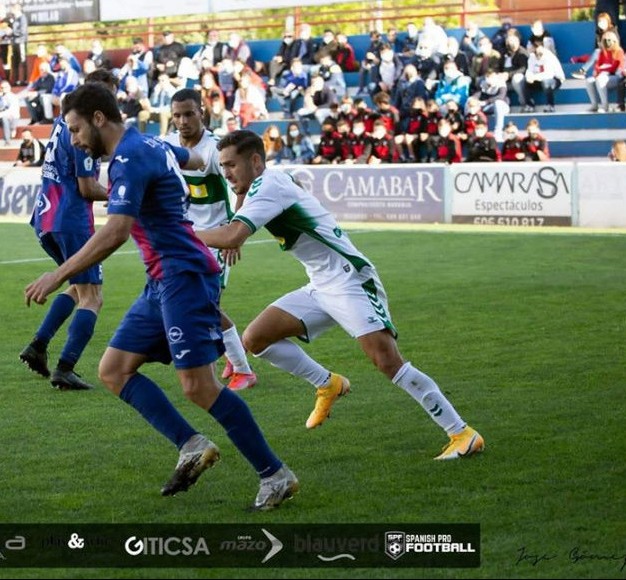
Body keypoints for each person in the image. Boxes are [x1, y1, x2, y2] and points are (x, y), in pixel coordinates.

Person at [24, 84, 298, 511]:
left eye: (76, 129)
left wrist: (58, 274)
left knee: (199, 387)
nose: (74, 140)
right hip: (160, 280)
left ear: (99, 119)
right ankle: (191, 444)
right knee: (114, 370)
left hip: (184, 276)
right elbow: (193, 157)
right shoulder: (151, 144)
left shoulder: (132, 158)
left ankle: (274, 474)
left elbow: (115, 232)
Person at [197, 130, 484, 461]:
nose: (227, 173)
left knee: (387, 361)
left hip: (349, 279)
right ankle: (327, 383)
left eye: (231, 165)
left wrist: (184, 233)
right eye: (223, 166)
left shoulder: (270, 186)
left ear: (255, 161)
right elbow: (238, 222)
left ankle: (462, 433)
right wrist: (234, 229)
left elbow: (234, 234)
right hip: (320, 284)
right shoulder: (268, 181)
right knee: (256, 339)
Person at [19, 70, 116, 390]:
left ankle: (38, 345)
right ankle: (66, 366)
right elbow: (87, 188)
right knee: (93, 297)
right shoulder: (84, 130)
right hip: (71, 218)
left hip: (46, 217)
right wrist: (123, 196)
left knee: (77, 287)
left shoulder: (64, 123)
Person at [163, 89, 258, 391]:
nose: (182, 121)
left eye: (189, 113)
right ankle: (232, 356)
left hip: (216, 236)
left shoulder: (216, 149)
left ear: (201, 112)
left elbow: (243, 187)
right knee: (200, 304)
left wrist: (236, 233)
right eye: (177, 115)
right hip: (186, 237)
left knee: (205, 306)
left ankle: (244, 370)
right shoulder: (169, 146)